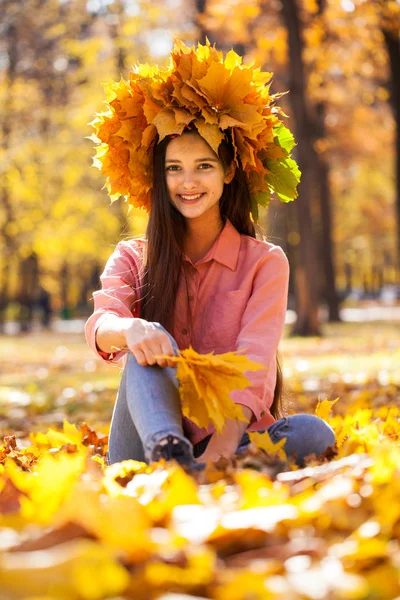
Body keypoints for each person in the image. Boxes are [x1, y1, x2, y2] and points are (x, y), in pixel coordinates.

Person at [85, 40, 336, 470]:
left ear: (229, 170)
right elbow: (102, 324)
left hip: (229, 438)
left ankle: (203, 469)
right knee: (149, 350)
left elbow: (257, 364)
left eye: (203, 166)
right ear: (159, 176)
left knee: (314, 433)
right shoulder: (133, 256)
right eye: (174, 168)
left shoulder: (265, 263)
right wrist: (132, 329)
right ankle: (171, 457)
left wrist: (221, 450)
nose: (188, 182)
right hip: (144, 443)